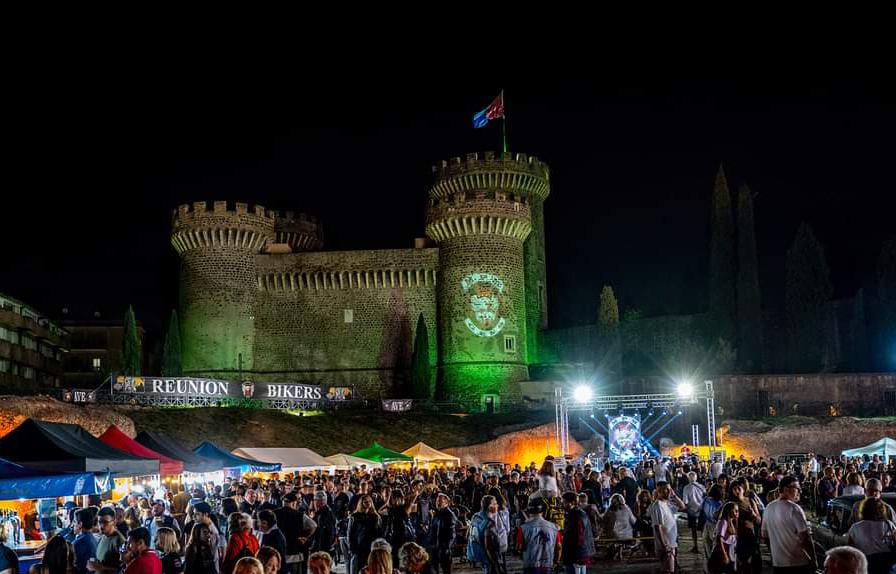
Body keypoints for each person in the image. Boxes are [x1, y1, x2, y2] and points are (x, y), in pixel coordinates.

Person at [760, 476, 816, 574]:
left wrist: (775, 553)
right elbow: (805, 537)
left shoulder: (768, 508)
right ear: (786, 489)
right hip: (798, 562)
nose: (800, 491)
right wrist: (813, 559)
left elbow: (764, 536)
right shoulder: (794, 508)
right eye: (797, 488)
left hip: (778, 564)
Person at [845, 498, 896, 574]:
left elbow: (851, 550)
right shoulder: (888, 524)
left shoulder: (855, 527)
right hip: (886, 564)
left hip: (865, 563)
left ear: (864, 509)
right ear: (882, 510)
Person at [648, 481, 685, 574]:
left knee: (671, 569)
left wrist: (674, 496)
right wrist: (664, 545)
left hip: (671, 544)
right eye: (666, 490)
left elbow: (682, 506)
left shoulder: (667, 503)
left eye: (670, 490)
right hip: (666, 545)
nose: (669, 492)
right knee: (668, 570)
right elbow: (658, 527)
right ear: (659, 491)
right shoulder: (657, 506)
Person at [517, 499, 558, 574]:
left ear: (529, 512)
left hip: (530, 565)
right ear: (543, 512)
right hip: (548, 565)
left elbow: (519, 547)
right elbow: (559, 546)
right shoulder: (554, 527)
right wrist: (556, 562)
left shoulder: (523, 528)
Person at [559, 491, 594, 574]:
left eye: (564, 502)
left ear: (572, 502)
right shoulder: (578, 513)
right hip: (580, 552)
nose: (562, 505)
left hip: (576, 554)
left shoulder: (575, 515)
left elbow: (579, 535)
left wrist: (576, 554)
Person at [88, 507, 126, 574]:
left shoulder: (119, 541)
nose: (101, 526)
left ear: (114, 522)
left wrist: (101, 568)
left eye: (105, 522)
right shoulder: (103, 536)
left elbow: (124, 569)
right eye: (99, 522)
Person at [426, 494, 455, 574]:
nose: (437, 503)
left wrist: (447, 547)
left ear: (446, 502)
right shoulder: (437, 514)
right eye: (437, 501)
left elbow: (451, 533)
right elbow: (432, 530)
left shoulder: (449, 515)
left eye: (440, 501)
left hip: (443, 547)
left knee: (446, 569)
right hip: (434, 547)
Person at [708, 502, 738, 574]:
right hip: (722, 550)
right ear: (729, 511)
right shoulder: (723, 522)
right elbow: (720, 539)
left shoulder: (731, 522)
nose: (737, 513)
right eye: (735, 511)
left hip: (729, 550)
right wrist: (725, 555)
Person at [682, 471, 706, 554]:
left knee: (693, 529)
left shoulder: (686, 488)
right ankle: (705, 546)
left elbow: (685, 501)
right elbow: (705, 497)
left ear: (688, 478)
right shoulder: (701, 487)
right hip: (701, 510)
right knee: (703, 529)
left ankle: (695, 546)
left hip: (691, 511)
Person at [73, 509, 98, 574]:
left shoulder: (80, 542)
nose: (73, 525)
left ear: (80, 524)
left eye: (75, 522)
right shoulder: (92, 538)